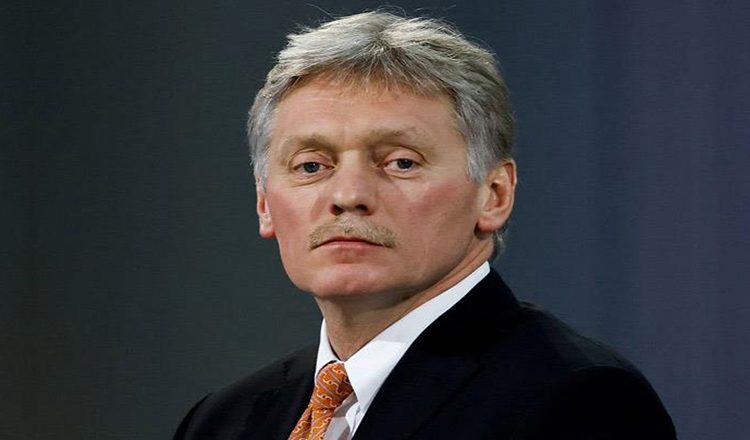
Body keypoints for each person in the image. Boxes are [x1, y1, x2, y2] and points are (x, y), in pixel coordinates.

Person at [174, 10, 676, 440]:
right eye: (311, 166)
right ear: (265, 203)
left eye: (401, 163)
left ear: (494, 195)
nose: (348, 196)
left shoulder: (574, 399)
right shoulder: (223, 421)